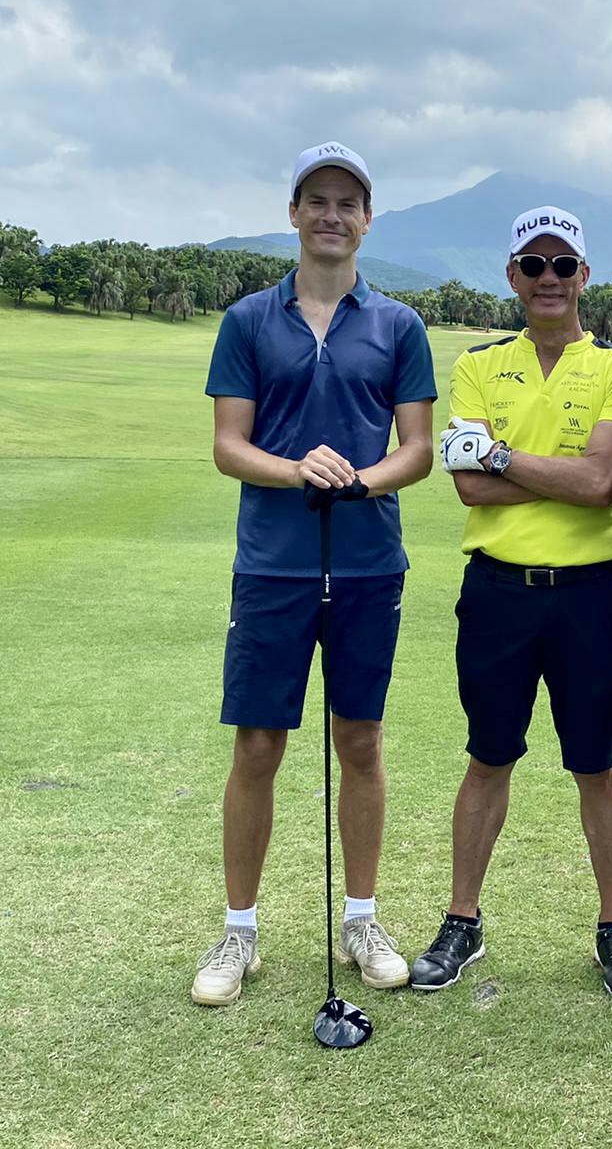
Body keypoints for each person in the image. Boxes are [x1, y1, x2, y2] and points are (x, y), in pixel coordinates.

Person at [192, 141, 436, 1006]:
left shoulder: (399, 326)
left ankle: (361, 920)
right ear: (294, 213)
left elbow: (417, 450)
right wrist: (298, 468)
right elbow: (229, 446)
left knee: (360, 740)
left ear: (367, 220)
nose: (332, 215)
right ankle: (239, 931)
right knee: (258, 743)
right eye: (317, 200)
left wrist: (361, 479)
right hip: (274, 565)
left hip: (369, 562)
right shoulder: (248, 321)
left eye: (348, 202)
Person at [410, 205, 612, 1002]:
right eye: (534, 265)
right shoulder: (480, 365)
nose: (550, 278)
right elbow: (467, 485)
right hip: (498, 592)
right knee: (488, 756)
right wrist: (556, 474)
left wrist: (503, 455)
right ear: (513, 275)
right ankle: (463, 921)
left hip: (588, 595)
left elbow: (601, 483)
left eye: (563, 265)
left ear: (585, 275)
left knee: (597, 763)